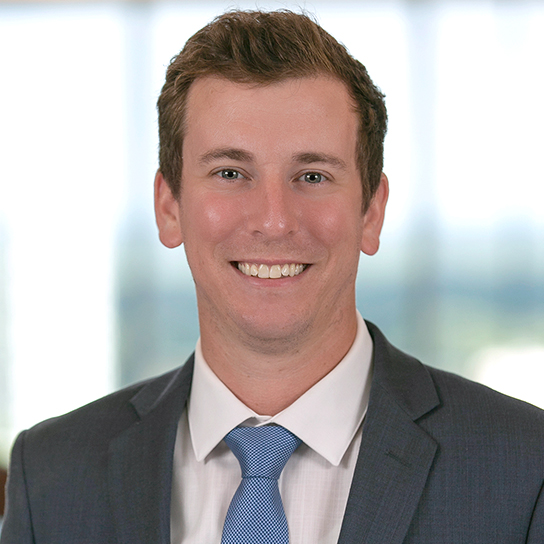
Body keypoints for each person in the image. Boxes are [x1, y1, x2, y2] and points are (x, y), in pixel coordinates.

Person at [2, 9, 543, 544]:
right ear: (169, 207)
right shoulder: (50, 478)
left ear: (371, 212)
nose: (275, 220)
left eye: (313, 175)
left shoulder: (525, 469)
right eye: (230, 173)